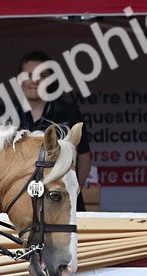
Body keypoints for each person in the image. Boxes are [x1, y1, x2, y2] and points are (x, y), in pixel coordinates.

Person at [15, 50, 93, 210]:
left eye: (42, 75)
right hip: (18, 201)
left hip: (62, 199)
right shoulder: (4, 113)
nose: (34, 81)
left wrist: (73, 191)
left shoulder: (68, 112)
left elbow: (84, 157)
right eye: (28, 75)